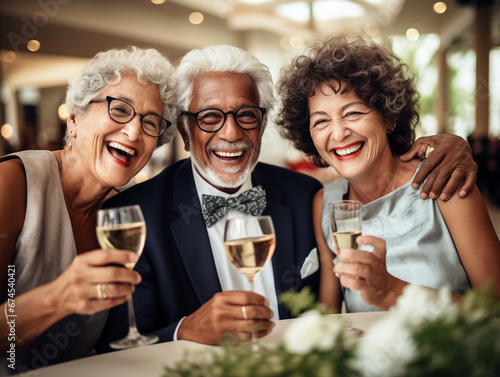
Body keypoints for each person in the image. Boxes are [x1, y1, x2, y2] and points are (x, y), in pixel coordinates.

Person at [97, 44, 477, 350]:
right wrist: (184, 330)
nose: (231, 133)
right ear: (184, 128)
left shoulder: (304, 196)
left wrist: (456, 144)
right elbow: (118, 342)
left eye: (246, 115)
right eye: (210, 117)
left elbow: (326, 323)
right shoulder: (133, 215)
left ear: (262, 124)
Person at [275, 35, 500, 314]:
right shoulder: (325, 204)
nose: (338, 132)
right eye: (321, 121)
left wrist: (392, 291)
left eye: (353, 112)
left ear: (389, 117)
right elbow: (328, 321)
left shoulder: (444, 180)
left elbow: (494, 309)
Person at [0, 46, 177, 373]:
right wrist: (58, 297)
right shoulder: (12, 182)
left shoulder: (125, 214)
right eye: (120, 110)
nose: (134, 132)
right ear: (75, 118)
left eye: (151, 122)